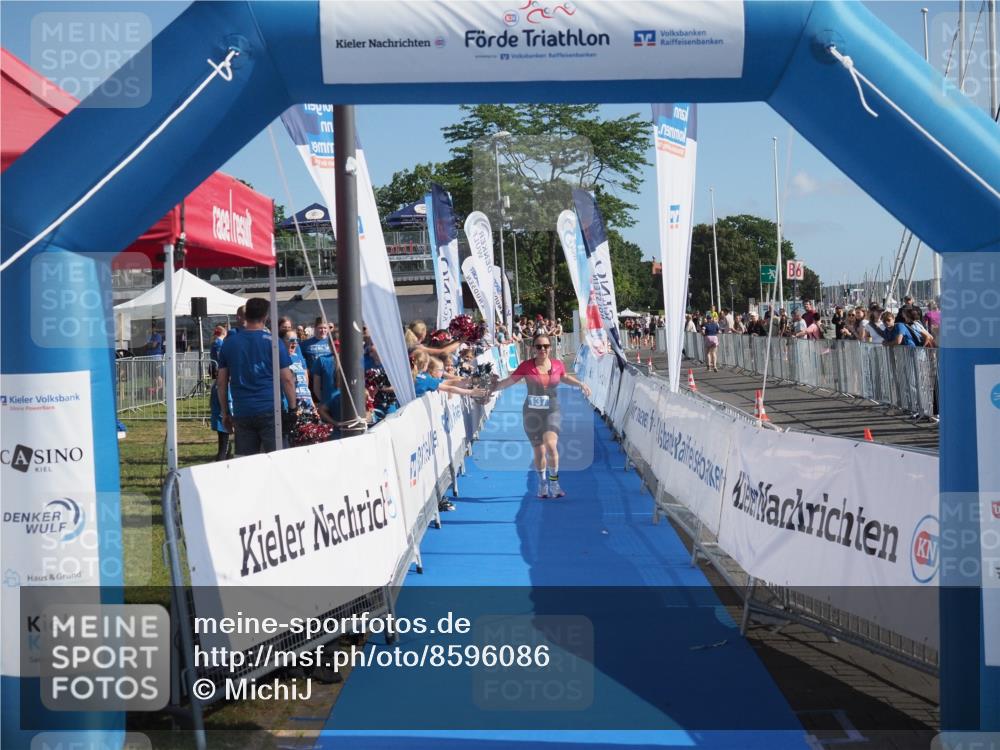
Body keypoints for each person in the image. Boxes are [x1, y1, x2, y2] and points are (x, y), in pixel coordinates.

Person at [489, 334, 592, 499]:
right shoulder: (526, 366)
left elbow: (564, 377)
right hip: (531, 413)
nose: (542, 349)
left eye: (545, 346)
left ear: (550, 347)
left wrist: (580, 384)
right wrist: (490, 390)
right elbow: (509, 381)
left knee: (551, 445)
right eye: (538, 346)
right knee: (539, 450)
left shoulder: (557, 364)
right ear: (533, 348)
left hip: (552, 410)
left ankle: (554, 483)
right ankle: (543, 483)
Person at [216, 297, 298, 456]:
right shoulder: (274, 342)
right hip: (270, 409)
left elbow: (221, 382)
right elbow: (287, 379)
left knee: (246, 463)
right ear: (266, 317)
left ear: (246, 316)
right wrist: (293, 408)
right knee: (279, 460)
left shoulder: (230, 343)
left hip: (242, 410)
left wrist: (225, 413)